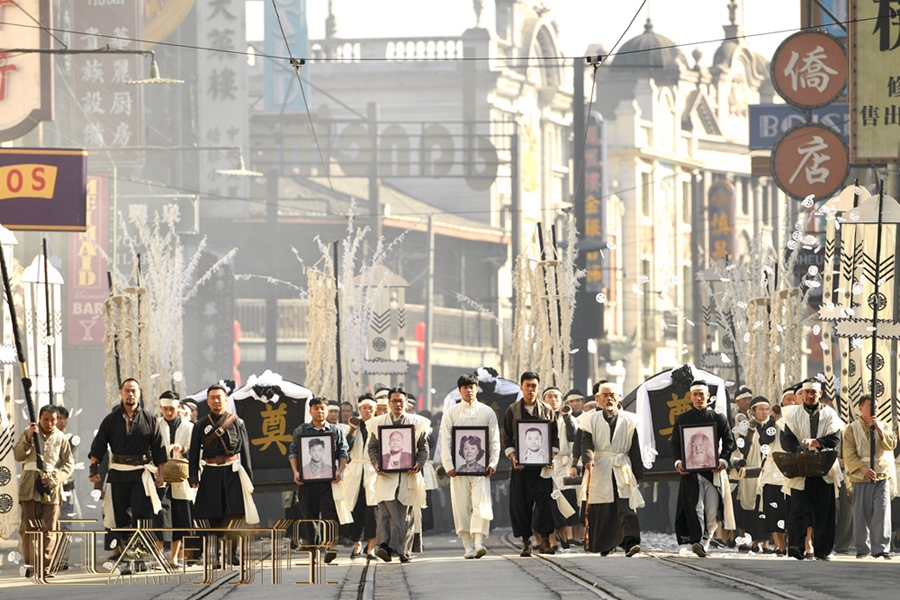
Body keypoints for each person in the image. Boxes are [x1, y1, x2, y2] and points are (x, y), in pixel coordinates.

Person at [88, 378, 167, 567]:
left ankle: (138, 558)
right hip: (118, 474)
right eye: (127, 391)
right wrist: (94, 471)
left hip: (141, 474)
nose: (130, 394)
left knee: (142, 515)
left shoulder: (150, 419)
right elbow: (98, 447)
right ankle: (129, 553)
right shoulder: (111, 419)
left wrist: (161, 475)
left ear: (139, 393)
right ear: (121, 393)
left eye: (134, 391)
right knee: (121, 517)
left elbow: (159, 449)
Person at [188, 384, 258, 567]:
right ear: (208, 401)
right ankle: (214, 556)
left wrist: (249, 478)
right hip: (210, 473)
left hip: (232, 473)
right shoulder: (200, 425)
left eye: (219, 397)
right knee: (211, 516)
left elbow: (246, 453)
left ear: (226, 400)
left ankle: (232, 554)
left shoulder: (237, 423)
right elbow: (194, 452)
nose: (216, 401)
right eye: (212, 397)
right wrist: (193, 476)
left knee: (234, 515)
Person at [780, 378, 843, 560]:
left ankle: (822, 550)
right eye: (806, 392)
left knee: (824, 511)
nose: (809, 395)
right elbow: (787, 440)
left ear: (820, 394)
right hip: (800, 467)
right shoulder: (792, 415)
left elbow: (834, 438)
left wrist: (816, 443)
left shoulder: (830, 414)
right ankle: (796, 547)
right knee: (798, 510)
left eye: (813, 392)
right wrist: (800, 449)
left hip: (824, 468)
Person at [440, 373, 501, 559]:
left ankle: (478, 542)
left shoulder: (487, 412)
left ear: (477, 389)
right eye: (465, 387)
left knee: (480, 503)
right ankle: (467, 545)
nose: (469, 390)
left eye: (472, 387)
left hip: (481, 468)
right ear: (460, 390)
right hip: (458, 469)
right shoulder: (451, 413)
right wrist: (448, 464)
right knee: (461, 506)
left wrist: (492, 463)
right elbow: (446, 441)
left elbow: (494, 440)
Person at [671, 380, 735, 558]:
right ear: (690, 397)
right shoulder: (682, 419)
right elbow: (675, 444)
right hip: (691, 473)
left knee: (712, 511)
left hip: (713, 472)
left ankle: (705, 541)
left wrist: (723, 460)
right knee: (694, 508)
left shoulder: (717, 417)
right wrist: (678, 462)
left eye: (702, 394)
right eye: (696, 394)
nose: (699, 398)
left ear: (708, 396)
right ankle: (697, 542)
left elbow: (730, 441)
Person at [580, 382, 643, 556]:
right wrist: (588, 459)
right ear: (597, 398)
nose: (609, 399)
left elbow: (635, 448)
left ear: (618, 397)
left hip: (622, 465)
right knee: (604, 506)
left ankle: (631, 542)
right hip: (600, 465)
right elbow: (586, 443)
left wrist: (638, 472)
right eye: (605, 395)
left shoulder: (630, 420)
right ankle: (606, 543)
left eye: (612, 395)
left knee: (626, 505)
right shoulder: (590, 419)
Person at [368, 388, 429, 563]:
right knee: (385, 514)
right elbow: (372, 448)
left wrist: (418, 463)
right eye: (394, 401)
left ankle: (403, 551)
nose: (398, 404)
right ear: (389, 403)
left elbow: (424, 448)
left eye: (401, 400)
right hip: (386, 476)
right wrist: (376, 464)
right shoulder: (377, 423)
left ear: (406, 402)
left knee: (405, 515)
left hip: (408, 476)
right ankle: (385, 547)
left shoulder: (417, 423)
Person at [502, 371, 557, 556]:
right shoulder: (513, 410)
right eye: (527, 385)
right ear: (521, 387)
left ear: (538, 387)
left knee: (545, 505)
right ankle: (526, 542)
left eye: (534, 386)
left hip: (542, 468)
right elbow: (507, 437)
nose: (531, 389)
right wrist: (513, 457)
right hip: (521, 467)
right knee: (521, 505)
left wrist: (551, 457)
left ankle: (545, 541)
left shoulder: (547, 410)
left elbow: (554, 437)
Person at [15, 405, 74, 578]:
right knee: (30, 527)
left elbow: (68, 464)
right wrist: (28, 437)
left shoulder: (61, 438)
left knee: (49, 529)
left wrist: (53, 479)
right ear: (39, 418)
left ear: (58, 420)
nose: (49, 423)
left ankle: (46, 567)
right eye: (45, 419)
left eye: (53, 420)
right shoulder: (29, 432)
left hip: (52, 488)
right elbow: (18, 455)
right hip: (30, 486)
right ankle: (32, 565)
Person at [289, 396, 349, 563]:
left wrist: (339, 471)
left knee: (329, 514)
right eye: (316, 408)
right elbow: (293, 453)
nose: (320, 411)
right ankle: (314, 550)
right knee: (310, 516)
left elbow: (343, 453)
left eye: (323, 408)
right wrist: (296, 472)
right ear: (310, 411)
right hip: (307, 482)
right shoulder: (301, 431)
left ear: (327, 410)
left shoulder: (335, 430)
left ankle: (329, 546)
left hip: (328, 481)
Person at [842, 394, 897, 559]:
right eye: (869, 406)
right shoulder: (852, 428)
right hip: (861, 476)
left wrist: (879, 430)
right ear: (860, 408)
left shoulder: (884, 426)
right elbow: (849, 453)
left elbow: (891, 444)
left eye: (876, 407)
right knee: (861, 513)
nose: (874, 410)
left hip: (881, 474)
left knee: (882, 511)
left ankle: (881, 547)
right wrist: (862, 467)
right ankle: (862, 548)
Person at [154, 391, 194, 567]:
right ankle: (159, 557)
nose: (169, 412)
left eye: (172, 409)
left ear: (178, 408)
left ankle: (174, 558)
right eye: (166, 409)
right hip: (161, 476)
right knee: (161, 517)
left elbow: (196, 450)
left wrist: (183, 448)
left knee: (179, 516)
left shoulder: (189, 427)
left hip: (180, 477)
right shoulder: (156, 425)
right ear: (161, 408)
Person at [730, 396, 770, 552]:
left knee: (765, 507)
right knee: (747, 507)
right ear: (752, 411)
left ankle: (762, 542)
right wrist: (751, 432)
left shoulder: (773, 427)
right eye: (761, 409)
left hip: (767, 471)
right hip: (749, 472)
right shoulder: (744, 427)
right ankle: (745, 539)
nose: (764, 412)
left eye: (767, 409)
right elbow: (742, 450)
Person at [342, 394, 378, 559]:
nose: (367, 411)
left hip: (373, 471)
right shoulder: (351, 426)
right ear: (359, 409)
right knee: (355, 509)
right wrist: (352, 430)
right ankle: (357, 543)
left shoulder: (380, 425)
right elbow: (344, 449)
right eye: (364, 408)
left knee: (373, 511)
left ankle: (371, 546)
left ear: (375, 409)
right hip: (355, 470)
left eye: (370, 408)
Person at [544, 387, 579, 552]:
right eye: (549, 397)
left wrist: (567, 418)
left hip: (564, 462)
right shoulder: (539, 417)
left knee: (568, 498)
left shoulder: (567, 418)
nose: (553, 400)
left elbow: (574, 436)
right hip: (546, 464)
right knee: (549, 501)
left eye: (556, 397)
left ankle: (565, 533)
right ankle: (552, 537)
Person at [756, 399, 788, 555]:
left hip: (793, 469)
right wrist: (773, 419)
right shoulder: (772, 423)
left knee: (792, 509)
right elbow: (764, 440)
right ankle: (779, 543)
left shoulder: (798, 419)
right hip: (773, 471)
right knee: (775, 509)